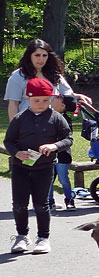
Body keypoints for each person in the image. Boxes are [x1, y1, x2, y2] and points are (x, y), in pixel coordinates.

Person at [4, 77, 73, 254]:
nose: (41, 104)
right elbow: (9, 141)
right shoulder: (19, 119)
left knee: (41, 204)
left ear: (51, 98)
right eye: (36, 101)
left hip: (44, 167)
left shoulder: (56, 118)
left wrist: (54, 146)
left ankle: (43, 238)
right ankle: (21, 236)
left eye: (45, 100)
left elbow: (68, 139)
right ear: (27, 99)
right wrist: (17, 153)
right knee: (19, 204)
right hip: (21, 168)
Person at [4, 38, 92, 121]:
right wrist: (14, 128)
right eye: (37, 55)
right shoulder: (18, 76)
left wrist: (78, 96)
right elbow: (13, 104)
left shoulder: (54, 74)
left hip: (52, 122)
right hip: (28, 123)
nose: (41, 59)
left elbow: (66, 94)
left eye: (44, 55)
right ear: (29, 56)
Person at [48, 94, 78, 212]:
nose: (53, 98)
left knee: (63, 178)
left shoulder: (65, 120)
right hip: (49, 153)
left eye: (58, 98)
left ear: (62, 105)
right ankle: (49, 201)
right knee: (49, 178)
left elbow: (66, 137)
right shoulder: (47, 116)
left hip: (62, 153)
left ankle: (69, 199)